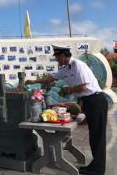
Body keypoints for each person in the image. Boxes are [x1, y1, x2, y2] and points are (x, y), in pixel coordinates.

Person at [25, 44, 108, 175]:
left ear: (63, 56)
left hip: (96, 101)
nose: (57, 60)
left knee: (98, 136)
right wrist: (32, 81)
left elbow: (84, 87)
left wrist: (68, 90)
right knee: (94, 136)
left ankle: (98, 170)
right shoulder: (66, 68)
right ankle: (95, 166)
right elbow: (51, 78)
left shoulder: (78, 65)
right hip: (88, 102)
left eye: (57, 57)